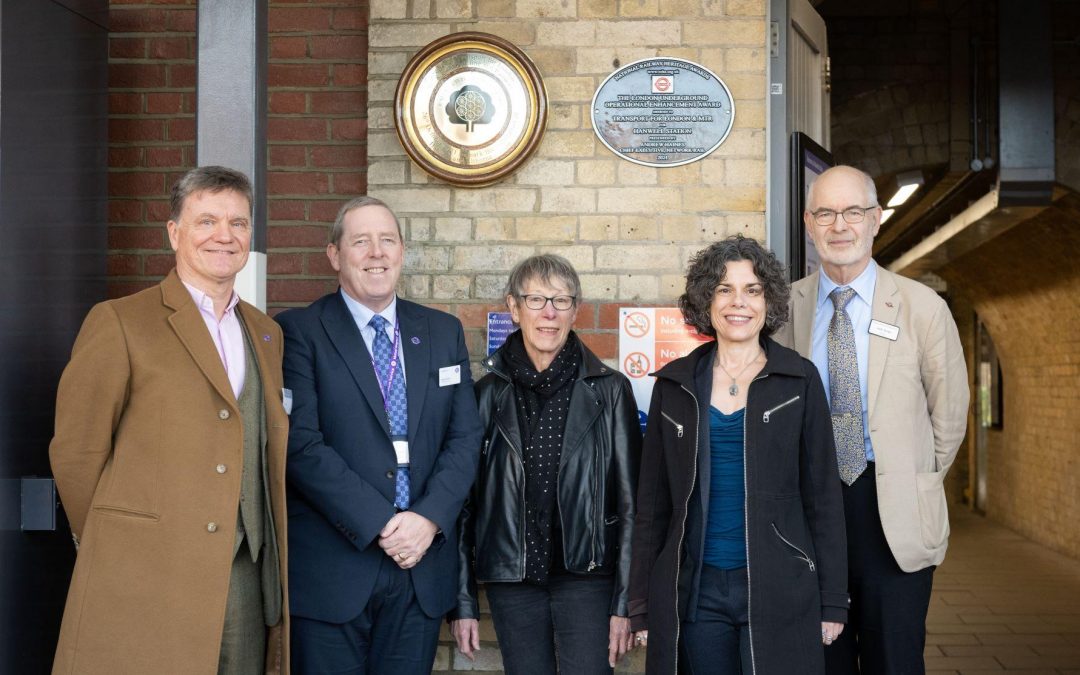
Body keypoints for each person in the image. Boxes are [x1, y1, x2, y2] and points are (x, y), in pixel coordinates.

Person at [50, 166, 289, 674]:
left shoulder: (267, 333)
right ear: (174, 232)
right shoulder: (120, 321)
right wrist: (112, 544)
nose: (224, 235)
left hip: (246, 576)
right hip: (148, 573)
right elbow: (77, 452)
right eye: (207, 221)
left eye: (239, 223)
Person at [277, 196, 483, 674]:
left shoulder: (441, 331)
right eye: (361, 241)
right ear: (335, 255)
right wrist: (383, 524)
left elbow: (464, 438)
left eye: (387, 240)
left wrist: (427, 520)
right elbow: (301, 444)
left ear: (402, 251)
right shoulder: (299, 331)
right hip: (335, 570)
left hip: (420, 571)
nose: (377, 253)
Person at [776, 165, 969, 674]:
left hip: (894, 519)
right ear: (809, 223)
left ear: (876, 220)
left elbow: (949, 415)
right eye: (826, 213)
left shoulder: (922, 308)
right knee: (821, 662)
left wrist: (913, 479)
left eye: (853, 212)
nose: (840, 225)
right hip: (810, 516)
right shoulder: (782, 311)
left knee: (895, 662)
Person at [629, 235, 849, 675]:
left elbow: (823, 496)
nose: (738, 303)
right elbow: (651, 506)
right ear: (705, 301)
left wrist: (832, 600)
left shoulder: (798, 380)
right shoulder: (674, 386)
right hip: (697, 591)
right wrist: (640, 603)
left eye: (752, 290)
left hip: (779, 584)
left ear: (768, 302)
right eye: (724, 289)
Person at [450, 254, 642, 674]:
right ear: (514, 308)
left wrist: (626, 602)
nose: (549, 313)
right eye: (536, 300)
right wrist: (462, 600)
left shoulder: (609, 391)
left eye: (561, 300)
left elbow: (633, 506)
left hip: (588, 579)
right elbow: (462, 508)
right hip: (512, 580)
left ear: (576, 311)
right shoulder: (485, 395)